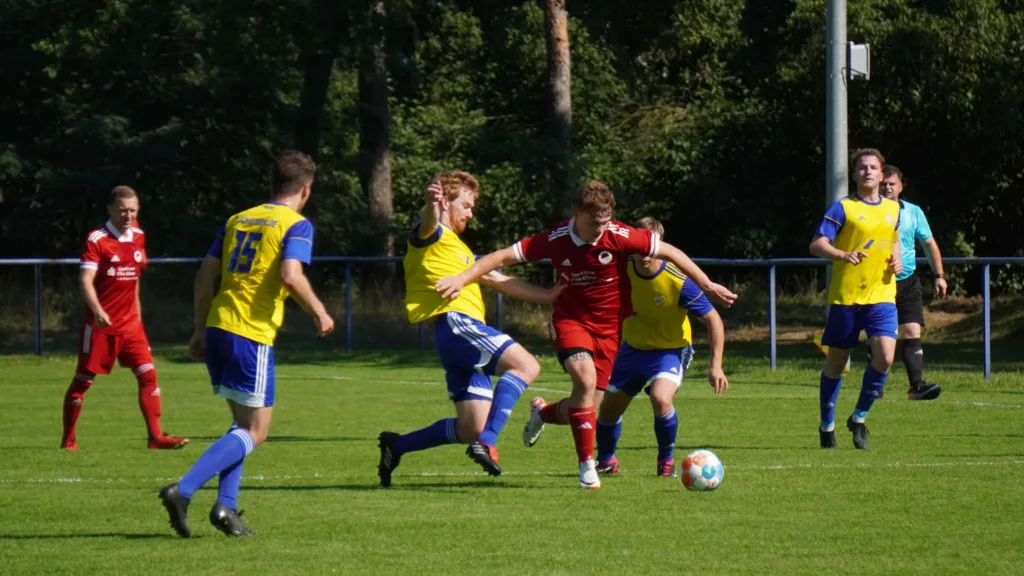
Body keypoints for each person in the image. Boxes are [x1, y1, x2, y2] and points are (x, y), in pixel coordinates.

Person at [435, 181, 737, 489]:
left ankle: (543, 412)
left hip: (608, 331)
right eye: (595, 223)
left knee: (587, 405)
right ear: (577, 213)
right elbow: (500, 258)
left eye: (606, 222)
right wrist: (462, 277)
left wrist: (708, 284)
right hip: (571, 320)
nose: (601, 229)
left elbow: (670, 251)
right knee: (585, 380)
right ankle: (587, 465)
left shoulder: (619, 235)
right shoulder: (556, 239)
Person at [158, 151, 334, 538]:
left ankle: (226, 508)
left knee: (240, 425)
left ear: (272, 184)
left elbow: (206, 272)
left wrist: (200, 328)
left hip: (220, 324)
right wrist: (319, 311)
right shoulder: (296, 224)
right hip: (249, 332)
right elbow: (291, 275)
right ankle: (183, 490)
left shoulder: (239, 219)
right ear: (306, 189)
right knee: (256, 430)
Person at [376, 172, 562, 487]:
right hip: (458, 322)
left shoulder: (459, 249)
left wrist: (549, 296)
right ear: (446, 201)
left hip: (452, 337)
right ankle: (488, 441)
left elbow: (499, 279)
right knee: (526, 365)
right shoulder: (432, 234)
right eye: (466, 204)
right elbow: (427, 223)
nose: (471, 212)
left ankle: (397, 445)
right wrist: (430, 205)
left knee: (469, 427)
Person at [594, 217, 728, 477]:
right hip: (632, 349)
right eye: (640, 245)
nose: (645, 253)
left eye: (651, 245)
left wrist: (716, 365)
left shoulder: (678, 281)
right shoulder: (621, 270)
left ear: (660, 245)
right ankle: (606, 460)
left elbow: (714, 320)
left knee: (661, 397)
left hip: (671, 350)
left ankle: (666, 461)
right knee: (609, 408)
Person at [61, 187, 189, 451]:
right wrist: (97, 311)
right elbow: (85, 280)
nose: (128, 215)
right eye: (122, 210)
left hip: (131, 326)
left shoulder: (138, 235)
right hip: (100, 327)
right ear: (110, 209)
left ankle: (156, 437)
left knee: (148, 375)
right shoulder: (97, 239)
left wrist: (138, 318)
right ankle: (69, 438)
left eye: (132, 210)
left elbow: (136, 282)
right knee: (83, 382)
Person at [810, 148, 902, 450]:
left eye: (873, 167)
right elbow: (817, 244)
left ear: (881, 172)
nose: (868, 172)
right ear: (854, 174)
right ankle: (827, 424)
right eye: (862, 167)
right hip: (847, 297)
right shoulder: (843, 207)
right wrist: (842, 254)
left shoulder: (893, 209)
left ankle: (859, 418)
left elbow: (895, 238)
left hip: (882, 293)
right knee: (836, 363)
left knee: (886, 356)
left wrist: (896, 261)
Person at [880, 165, 944, 401]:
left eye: (891, 184)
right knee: (881, 336)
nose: (887, 187)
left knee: (912, 331)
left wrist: (939, 275)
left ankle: (916, 386)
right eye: (883, 183)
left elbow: (929, 244)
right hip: (878, 282)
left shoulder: (913, 212)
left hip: (907, 281)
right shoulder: (870, 210)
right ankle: (875, 387)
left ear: (901, 187)